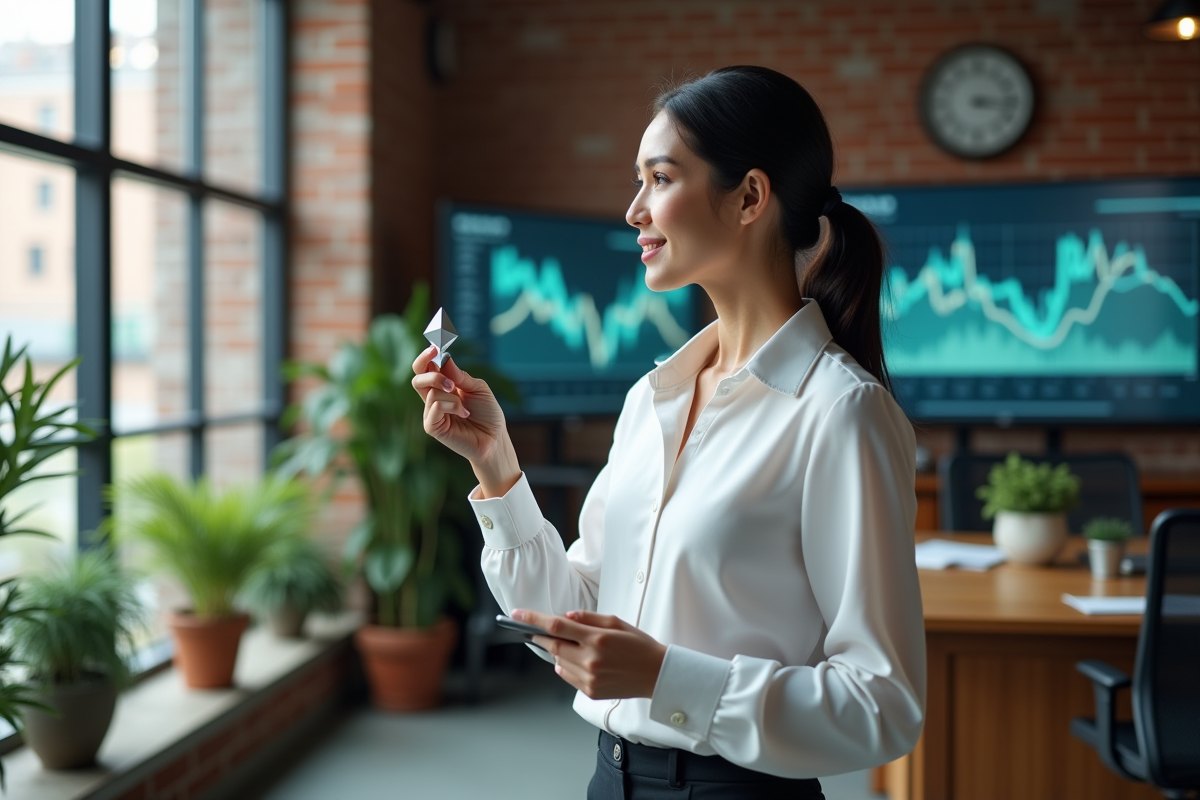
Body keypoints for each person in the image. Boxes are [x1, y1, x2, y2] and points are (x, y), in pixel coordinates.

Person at [412, 65, 925, 799]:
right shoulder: (650, 400)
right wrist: (496, 465)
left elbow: (884, 708)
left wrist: (665, 676)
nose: (633, 211)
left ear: (749, 196)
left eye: (659, 179)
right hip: (609, 778)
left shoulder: (841, 413)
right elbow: (577, 618)